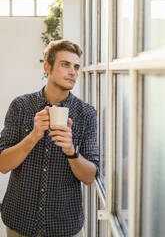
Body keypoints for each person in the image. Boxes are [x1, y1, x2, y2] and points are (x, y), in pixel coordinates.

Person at [0, 39, 99, 237]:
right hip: (19, 222)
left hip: (65, 226)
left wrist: (71, 151)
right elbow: (2, 164)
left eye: (76, 67)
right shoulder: (20, 106)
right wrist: (34, 135)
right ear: (47, 67)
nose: (73, 72)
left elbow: (90, 176)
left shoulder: (86, 113)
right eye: (65, 65)